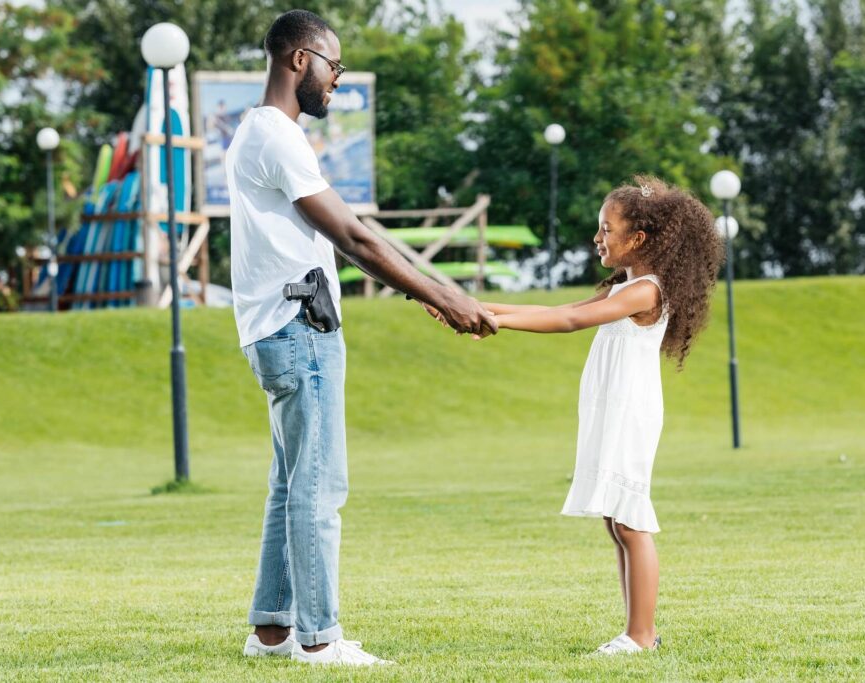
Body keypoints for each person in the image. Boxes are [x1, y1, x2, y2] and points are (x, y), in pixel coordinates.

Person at [226, 9, 497, 667]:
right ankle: (319, 638)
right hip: (300, 329)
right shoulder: (276, 137)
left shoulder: (256, 134)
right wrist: (441, 295)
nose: (336, 81)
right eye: (333, 67)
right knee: (319, 485)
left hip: (278, 329)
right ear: (300, 60)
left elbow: (353, 229)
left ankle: (271, 631)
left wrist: (433, 287)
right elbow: (353, 237)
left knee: (293, 482)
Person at [450, 176, 723, 655]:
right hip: (611, 407)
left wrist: (495, 323)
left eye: (606, 229)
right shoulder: (626, 283)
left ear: (637, 239)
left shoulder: (647, 292)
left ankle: (642, 636)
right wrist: (474, 307)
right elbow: (564, 307)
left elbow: (571, 322)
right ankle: (636, 632)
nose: (597, 238)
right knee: (615, 519)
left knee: (631, 519)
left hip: (630, 411)